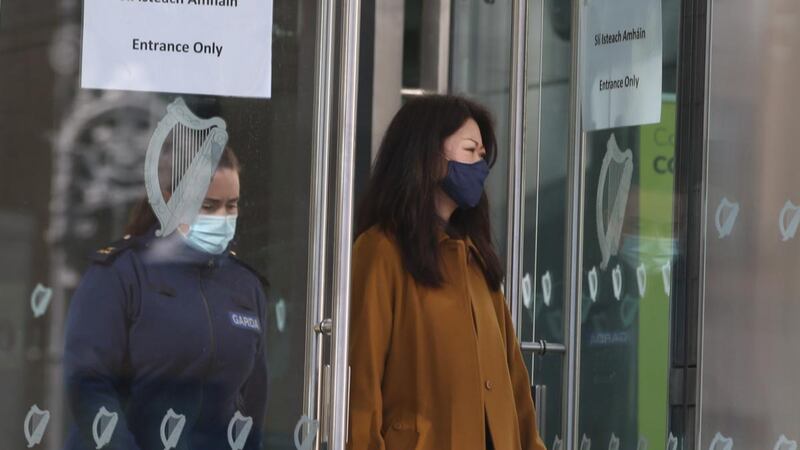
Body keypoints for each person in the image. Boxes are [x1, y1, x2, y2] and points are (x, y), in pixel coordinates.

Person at [348, 95, 547, 450]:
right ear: (427, 156)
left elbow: (515, 383)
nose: (480, 167)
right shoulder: (381, 250)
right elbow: (362, 383)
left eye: (483, 156)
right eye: (470, 150)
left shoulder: (476, 259)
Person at [63, 147, 268, 450]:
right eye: (209, 206)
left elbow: (251, 404)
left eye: (231, 205)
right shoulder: (122, 272)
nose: (222, 217)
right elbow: (89, 383)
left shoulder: (245, 287)